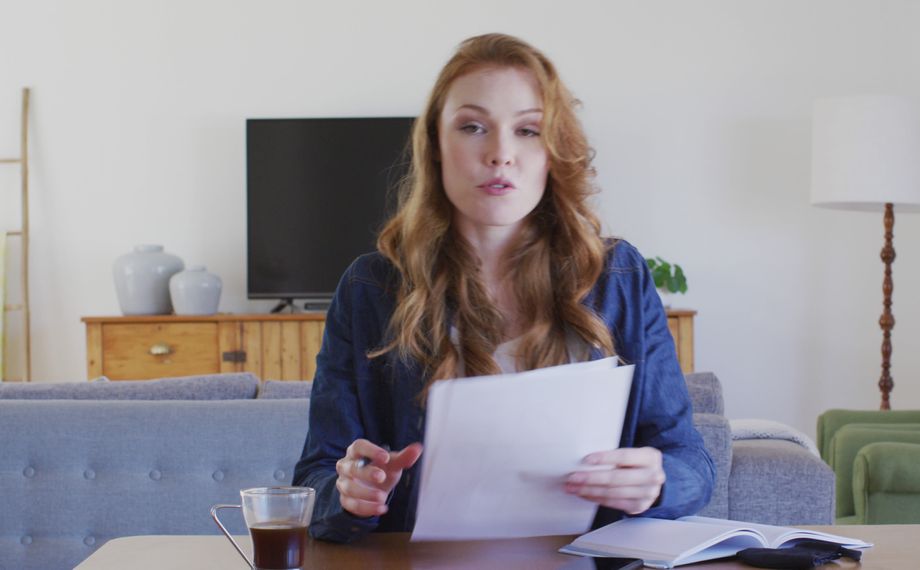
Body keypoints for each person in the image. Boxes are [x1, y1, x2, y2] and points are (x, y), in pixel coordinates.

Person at [293, 32, 716, 542]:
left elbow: (690, 461)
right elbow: (316, 478)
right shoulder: (370, 288)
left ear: (553, 150)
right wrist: (350, 494)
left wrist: (657, 482)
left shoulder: (617, 276)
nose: (500, 154)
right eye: (473, 127)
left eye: (528, 130)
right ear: (434, 145)